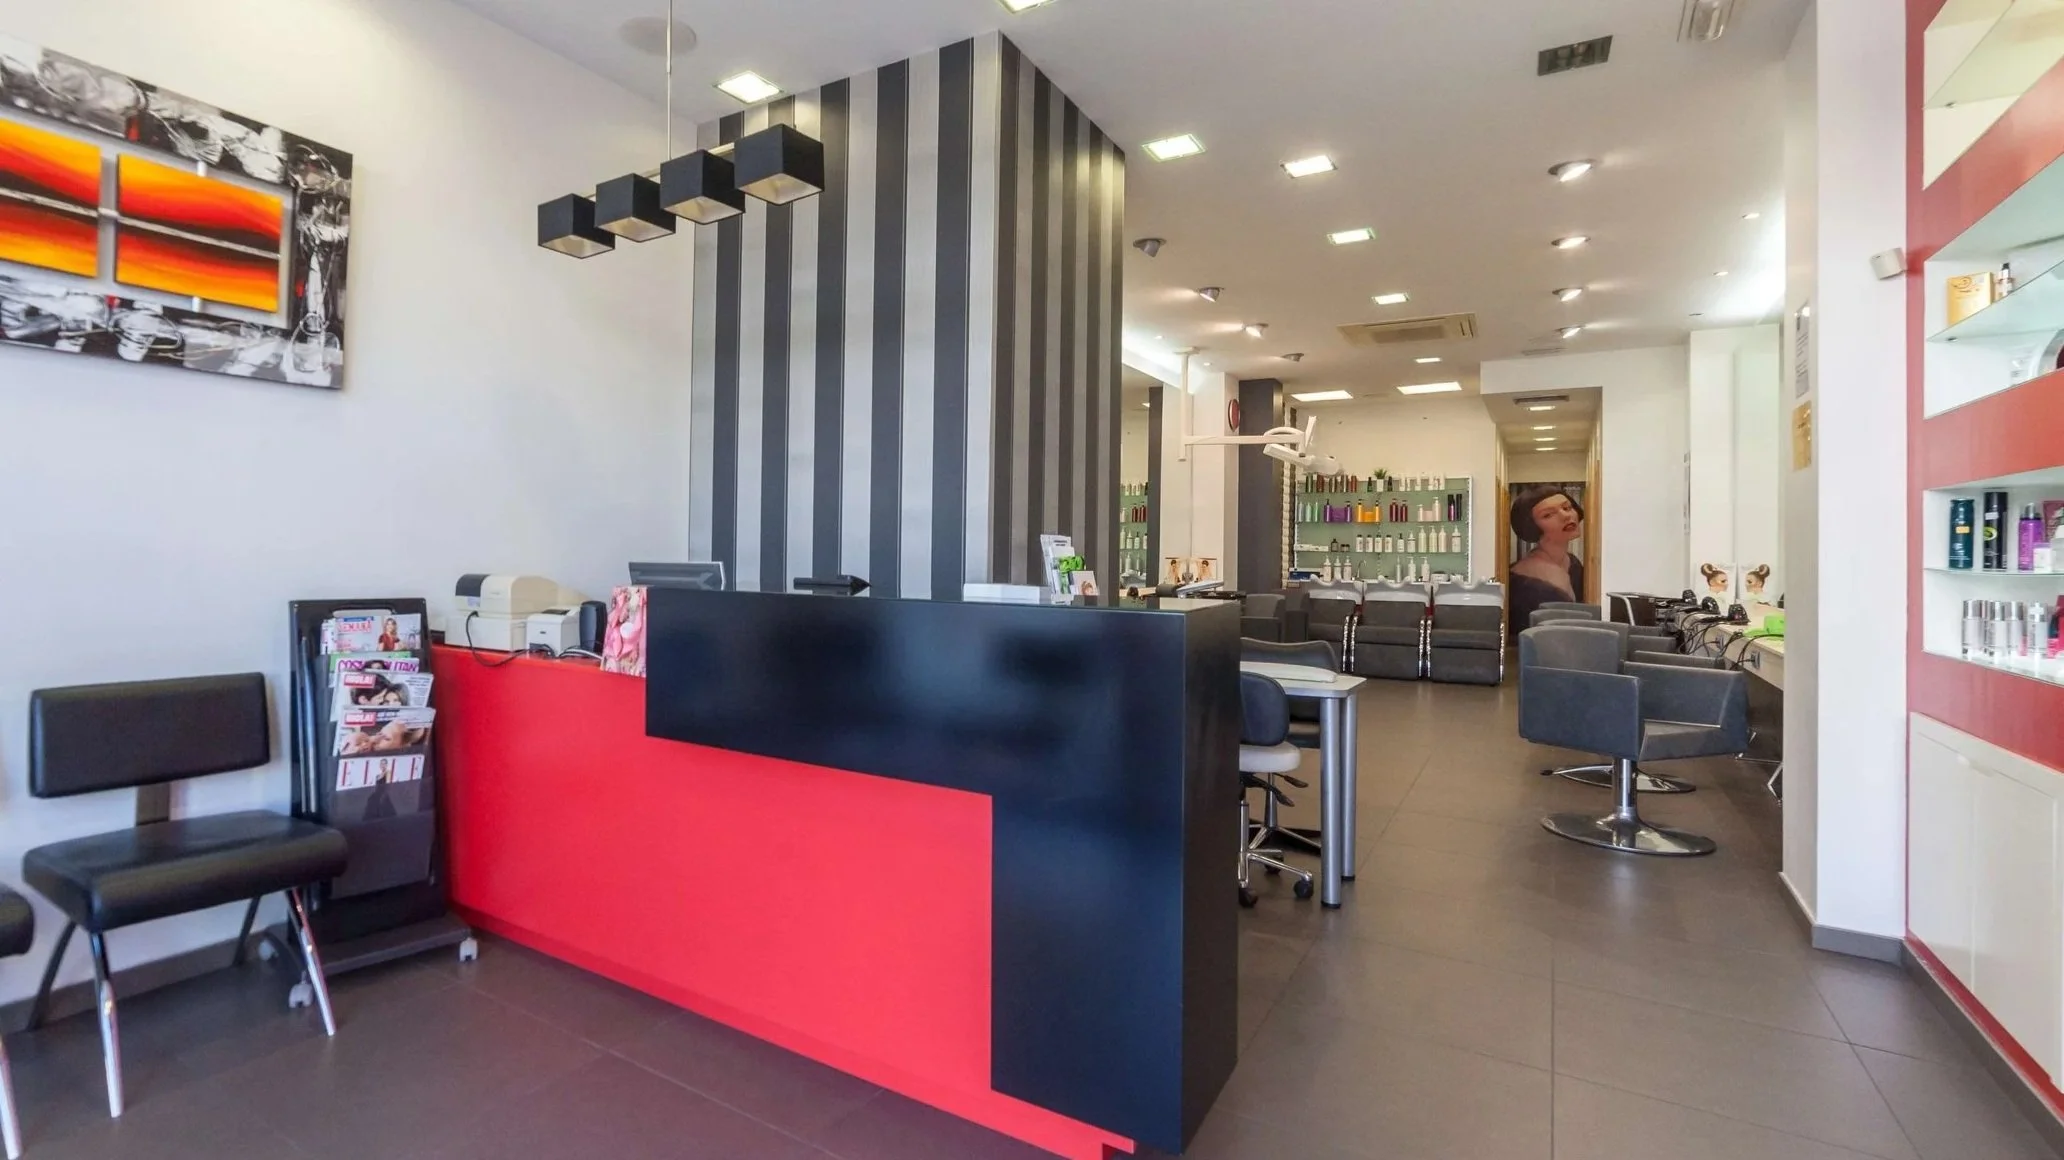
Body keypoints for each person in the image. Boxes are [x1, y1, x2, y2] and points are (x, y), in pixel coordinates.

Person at [1508, 485, 1586, 638]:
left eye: (1567, 507)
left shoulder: (1574, 564)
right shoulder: (1522, 580)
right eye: (1548, 515)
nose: (1565, 516)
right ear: (1532, 526)